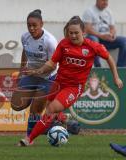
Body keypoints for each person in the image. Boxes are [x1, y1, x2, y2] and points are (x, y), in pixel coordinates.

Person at [19, 16, 123, 146]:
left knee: (50, 110)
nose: (73, 36)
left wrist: (116, 77)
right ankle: (65, 120)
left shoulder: (93, 46)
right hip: (58, 83)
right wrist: (38, 71)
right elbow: (52, 63)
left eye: (76, 33)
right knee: (50, 109)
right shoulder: (63, 44)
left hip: (74, 87)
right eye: (70, 33)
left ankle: (29, 139)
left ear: (83, 33)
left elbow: (109, 58)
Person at [10, 9, 69, 145]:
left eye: (34, 25)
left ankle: (29, 139)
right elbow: (25, 51)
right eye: (29, 25)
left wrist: (36, 72)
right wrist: (21, 70)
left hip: (48, 77)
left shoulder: (50, 41)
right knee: (16, 105)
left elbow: (53, 65)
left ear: (42, 24)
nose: (31, 28)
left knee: (35, 110)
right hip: (31, 74)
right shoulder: (25, 37)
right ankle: (56, 119)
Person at [82, 0, 126, 67]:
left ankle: (120, 67)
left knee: (124, 41)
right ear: (97, 0)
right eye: (103, 0)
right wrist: (101, 36)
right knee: (94, 40)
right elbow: (87, 29)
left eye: (107, 1)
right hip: (93, 38)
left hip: (106, 39)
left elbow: (112, 27)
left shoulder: (109, 12)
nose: (105, 3)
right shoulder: (89, 11)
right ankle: (98, 66)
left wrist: (112, 35)